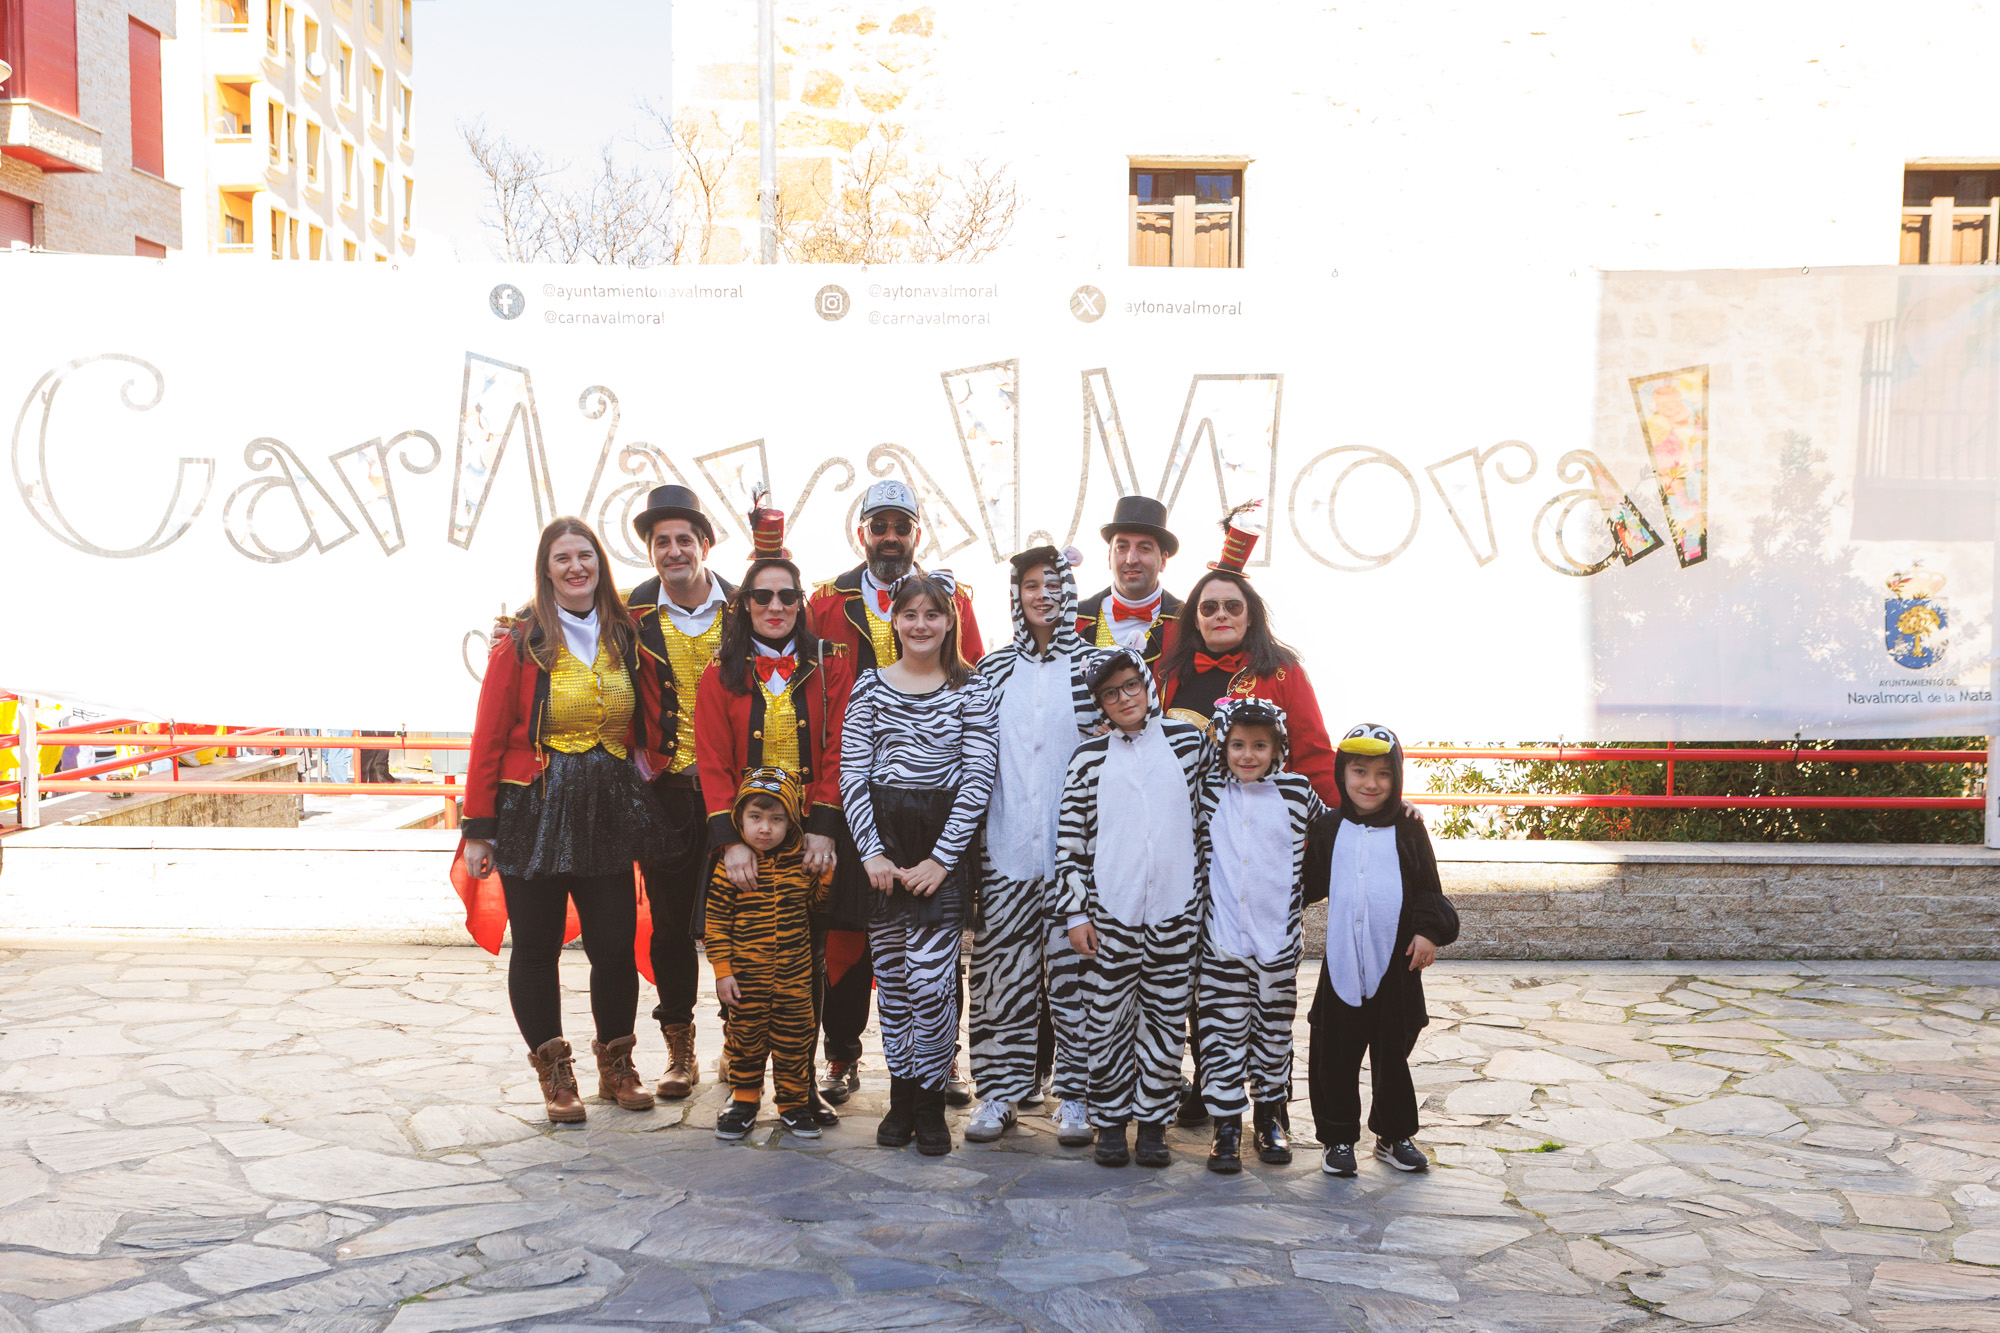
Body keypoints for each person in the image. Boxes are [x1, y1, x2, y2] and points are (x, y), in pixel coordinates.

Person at [458, 516, 671, 1125]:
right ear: (546, 569)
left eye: (585, 556)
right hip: (534, 808)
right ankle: (555, 1075)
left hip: (607, 808)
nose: (576, 567)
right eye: (563, 558)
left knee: (613, 943)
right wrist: (478, 828)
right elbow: (489, 734)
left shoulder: (625, 633)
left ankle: (617, 1066)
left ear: (600, 564)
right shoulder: (519, 640)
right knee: (536, 945)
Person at [808, 478, 986, 1107]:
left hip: (939, 813)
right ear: (862, 532)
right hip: (856, 797)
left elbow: (975, 679)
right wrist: (826, 811)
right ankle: (842, 1055)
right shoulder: (825, 601)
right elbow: (811, 701)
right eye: (878, 526)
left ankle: (944, 1063)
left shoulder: (954, 598)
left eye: (900, 526)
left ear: (917, 532)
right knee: (849, 937)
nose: (889, 537)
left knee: (937, 953)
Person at [693, 493, 853, 1128]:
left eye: (787, 596)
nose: (776, 606)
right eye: (762, 597)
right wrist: (730, 840)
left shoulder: (831, 666)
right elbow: (712, 762)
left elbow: (841, 747)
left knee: (807, 969)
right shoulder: (719, 673)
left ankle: (799, 1086)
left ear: (801, 603)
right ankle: (743, 1091)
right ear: (746, 605)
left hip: (809, 838)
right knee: (743, 966)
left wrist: (823, 828)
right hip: (750, 836)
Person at [839, 572, 998, 1156]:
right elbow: (852, 774)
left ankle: (931, 1099)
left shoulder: (973, 690)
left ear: (950, 621)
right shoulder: (870, 686)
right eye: (910, 614)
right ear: (895, 620)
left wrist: (941, 860)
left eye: (933, 614)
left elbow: (978, 777)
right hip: (883, 846)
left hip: (941, 847)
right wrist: (871, 852)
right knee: (896, 984)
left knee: (932, 984)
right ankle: (902, 1096)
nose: (921, 624)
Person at [966, 545, 1100, 1147]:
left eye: (1052, 583)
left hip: (1079, 860)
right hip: (1006, 850)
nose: (1042, 595)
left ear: (1069, 590)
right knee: (1001, 980)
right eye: (1030, 585)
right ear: (1016, 597)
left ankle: (1077, 1097)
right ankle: (998, 1094)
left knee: (1079, 983)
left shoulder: (1096, 668)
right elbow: (971, 758)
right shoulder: (992, 672)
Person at [1054, 648, 1204, 1169]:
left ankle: (1155, 1126)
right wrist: (1076, 914)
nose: (1124, 699)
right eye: (1110, 693)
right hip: (1109, 914)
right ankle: (1112, 1123)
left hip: (1175, 911)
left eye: (1130, 686)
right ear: (1099, 703)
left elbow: (1215, 814)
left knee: (1165, 1023)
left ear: (1147, 684)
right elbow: (1069, 844)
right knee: (1108, 1022)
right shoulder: (1088, 757)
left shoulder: (1187, 744)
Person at [1304, 723, 1460, 1177]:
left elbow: (1429, 888)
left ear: (1397, 777)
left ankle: (1393, 1135)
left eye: (1383, 774)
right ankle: (1337, 1138)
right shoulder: (1328, 828)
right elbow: (1306, 883)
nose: (1370, 784)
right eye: (1359, 771)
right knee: (1334, 1053)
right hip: (1343, 962)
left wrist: (1428, 932)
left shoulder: (1409, 828)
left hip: (1396, 964)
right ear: (1342, 773)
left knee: (1393, 1053)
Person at [626, 482, 737, 1102]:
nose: (673, 551)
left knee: (742, 919)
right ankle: (679, 1049)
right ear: (651, 551)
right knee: (669, 926)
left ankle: (738, 1041)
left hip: (739, 793)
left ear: (705, 545)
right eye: (661, 541)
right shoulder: (631, 612)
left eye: (683, 540)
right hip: (666, 793)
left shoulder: (747, 605)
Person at [1191, 698, 1327, 1174]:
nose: (1248, 755)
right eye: (1238, 745)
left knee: (1273, 1033)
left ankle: (1270, 1118)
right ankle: (1226, 1126)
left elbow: (1337, 828)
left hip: (1277, 942)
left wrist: (1397, 812)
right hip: (1221, 939)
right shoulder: (1208, 792)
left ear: (1277, 749)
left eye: (1260, 746)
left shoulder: (1297, 792)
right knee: (1220, 1033)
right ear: (1224, 747)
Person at [1157, 504, 1339, 800]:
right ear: (1196, 620)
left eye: (1233, 606)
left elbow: (1315, 760)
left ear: (1250, 615)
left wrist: (1361, 815)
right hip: (1182, 818)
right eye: (1209, 607)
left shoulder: (1286, 674)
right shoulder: (1169, 674)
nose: (1221, 614)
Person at [705, 767, 831, 1141]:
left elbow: (816, 905)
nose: (765, 828)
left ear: (791, 821)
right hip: (746, 978)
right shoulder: (731, 868)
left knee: (796, 1041)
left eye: (776, 819)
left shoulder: (800, 861)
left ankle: (793, 1104)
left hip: (794, 978)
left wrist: (824, 877)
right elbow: (716, 923)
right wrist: (722, 971)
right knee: (744, 1038)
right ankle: (743, 1100)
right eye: (755, 817)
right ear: (739, 818)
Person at [1074, 495, 1182, 664]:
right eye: (1122, 547)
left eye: (1144, 548)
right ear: (1109, 557)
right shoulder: (1075, 620)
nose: (1131, 559)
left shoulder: (1186, 623)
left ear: (1163, 561)